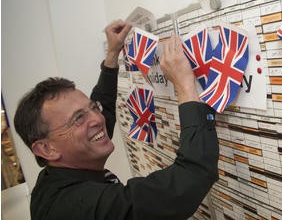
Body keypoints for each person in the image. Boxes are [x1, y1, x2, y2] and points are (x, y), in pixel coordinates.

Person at [13, 20, 219, 220]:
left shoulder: (54, 177)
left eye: (93, 108)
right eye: (78, 118)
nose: (97, 118)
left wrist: (112, 55)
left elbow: (103, 110)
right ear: (47, 149)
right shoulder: (84, 208)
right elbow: (188, 181)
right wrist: (185, 86)